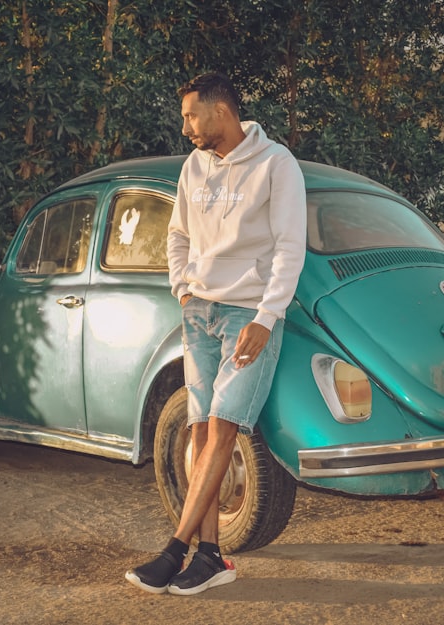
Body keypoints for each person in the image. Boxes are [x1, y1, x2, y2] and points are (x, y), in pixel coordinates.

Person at [125, 72, 307, 596]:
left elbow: (290, 249)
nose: (185, 127)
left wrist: (266, 318)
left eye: (190, 115)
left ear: (221, 111)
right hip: (199, 312)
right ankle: (211, 557)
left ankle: (175, 549)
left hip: (247, 317)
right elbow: (177, 234)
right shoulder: (194, 166)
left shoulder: (277, 165)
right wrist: (183, 290)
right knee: (201, 431)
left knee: (226, 427)